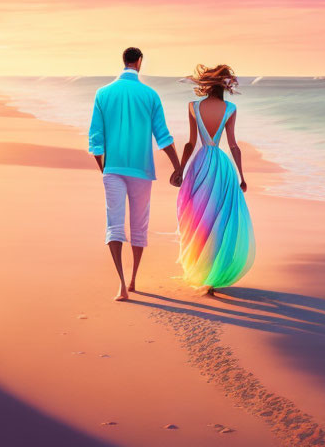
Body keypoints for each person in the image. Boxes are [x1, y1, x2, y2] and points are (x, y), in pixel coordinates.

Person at [88, 47, 183, 301]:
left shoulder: (103, 93)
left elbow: (95, 139)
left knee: (114, 225)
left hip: (113, 169)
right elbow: (163, 137)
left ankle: (120, 283)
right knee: (139, 225)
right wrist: (178, 167)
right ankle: (133, 279)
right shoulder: (150, 95)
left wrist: (103, 170)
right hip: (141, 170)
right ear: (139, 62)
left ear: (124, 61)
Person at [176, 64, 254, 294]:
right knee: (218, 220)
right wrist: (242, 176)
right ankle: (212, 274)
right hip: (221, 166)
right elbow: (233, 145)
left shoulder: (193, 106)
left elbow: (190, 143)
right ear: (225, 85)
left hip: (200, 165)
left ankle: (201, 270)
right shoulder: (230, 108)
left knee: (198, 217)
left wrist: (180, 170)